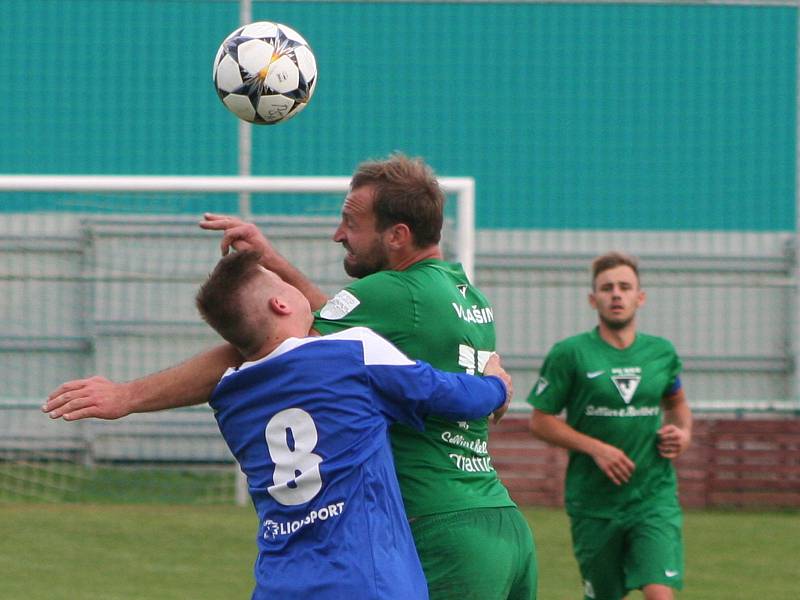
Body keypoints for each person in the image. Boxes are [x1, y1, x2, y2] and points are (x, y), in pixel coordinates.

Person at [44, 153, 537, 599]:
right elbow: (325, 331)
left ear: (397, 235)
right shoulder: (461, 292)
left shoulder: (389, 297)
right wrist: (495, 383)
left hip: (433, 526)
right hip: (498, 517)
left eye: (351, 222)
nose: (338, 234)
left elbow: (273, 345)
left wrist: (128, 395)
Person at [194, 250, 512, 598]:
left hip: (279, 583)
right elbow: (449, 395)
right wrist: (496, 384)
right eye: (286, 284)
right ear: (280, 304)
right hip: (366, 580)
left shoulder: (229, 398)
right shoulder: (352, 352)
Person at [527, 251, 692, 600]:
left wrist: (683, 433)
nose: (616, 294)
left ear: (639, 297)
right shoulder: (570, 354)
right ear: (593, 299)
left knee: (659, 593)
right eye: (606, 288)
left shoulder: (661, 353)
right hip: (594, 502)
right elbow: (540, 421)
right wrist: (596, 448)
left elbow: (677, 404)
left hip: (653, 496)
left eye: (625, 287)